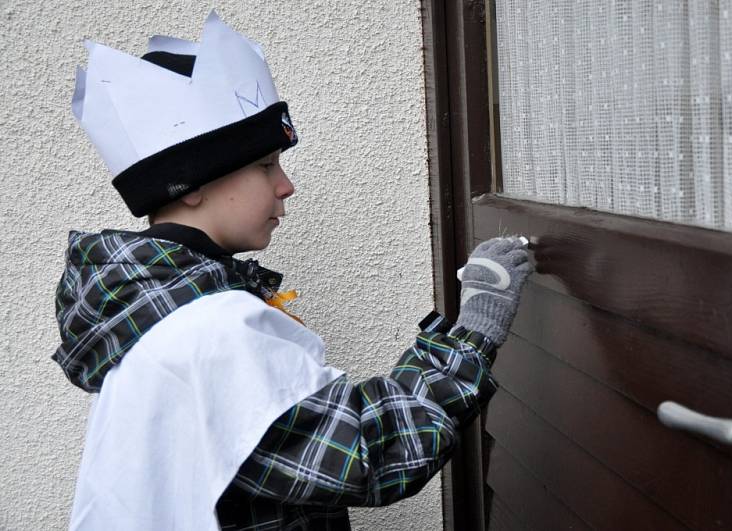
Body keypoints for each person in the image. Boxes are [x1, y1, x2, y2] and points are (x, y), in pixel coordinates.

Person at [53, 9, 533, 530]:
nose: (286, 186)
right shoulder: (206, 331)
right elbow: (367, 454)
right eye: (265, 166)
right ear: (188, 185)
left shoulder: (149, 315)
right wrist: (472, 333)